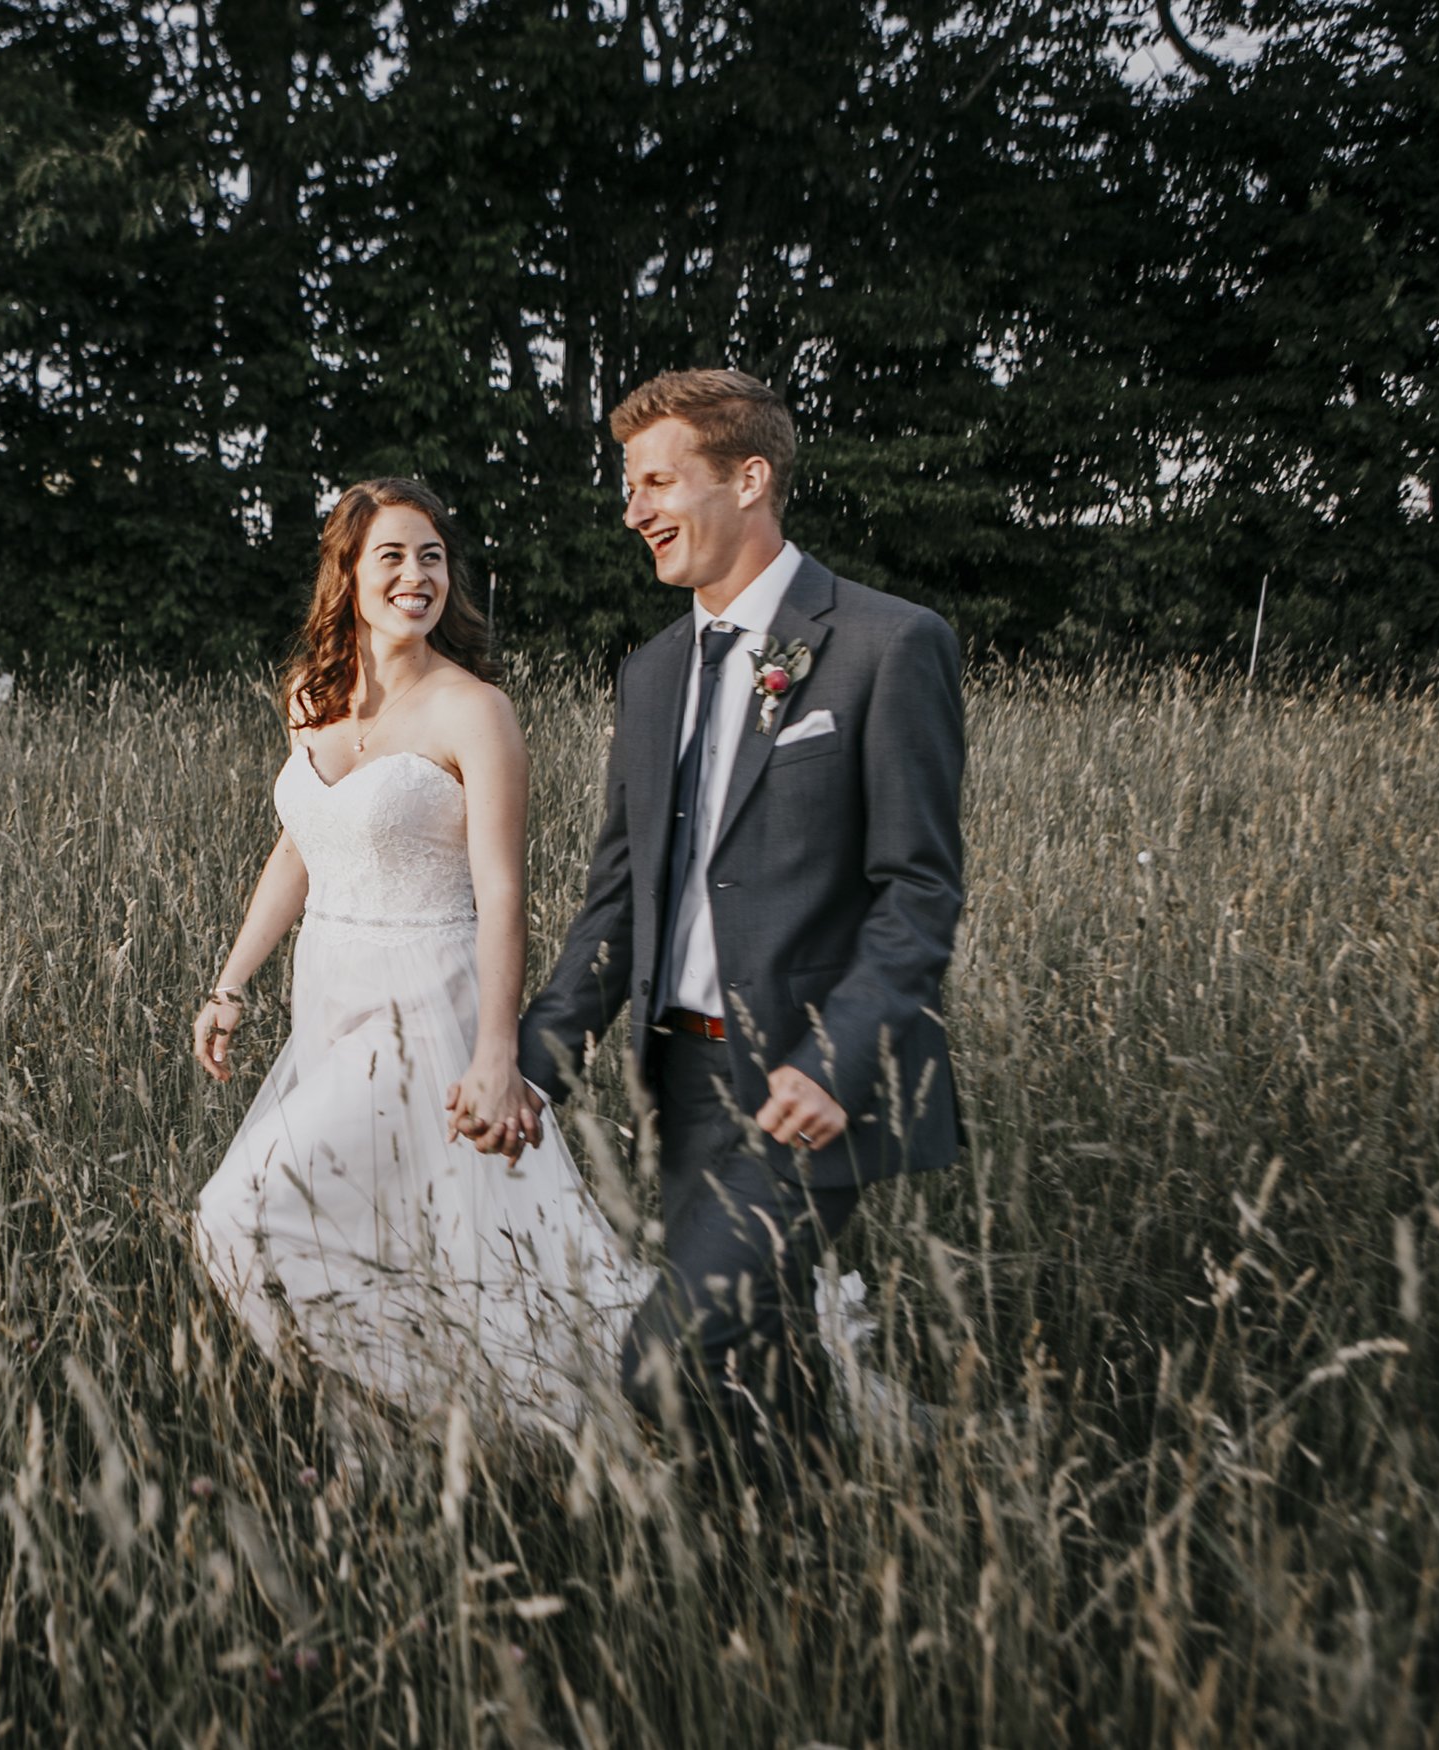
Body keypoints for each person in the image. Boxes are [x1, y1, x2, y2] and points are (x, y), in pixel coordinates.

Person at [477, 368, 965, 1481]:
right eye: (628, 486)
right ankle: (803, 1572)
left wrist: (836, 1061)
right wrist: (536, 1069)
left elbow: (918, 890)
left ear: (749, 479)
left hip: (816, 1086)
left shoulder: (888, 645)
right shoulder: (651, 674)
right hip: (683, 1077)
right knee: (758, 1368)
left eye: (657, 481)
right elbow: (617, 897)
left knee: (664, 1355)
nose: (633, 509)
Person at [187, 479, 651, 1435]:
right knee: (379, 1226)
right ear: (347, 573)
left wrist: (498, 1053)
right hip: (329, 994)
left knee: (236, 1211)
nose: (415, 575)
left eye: (431, 556)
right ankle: (378, 1432)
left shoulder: (474, 710)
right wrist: (231, 983)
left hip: (423, 1006)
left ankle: (440, 1413)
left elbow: (505, 894)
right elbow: (301, 844)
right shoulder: (310, 695)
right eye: (391, 556)